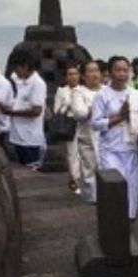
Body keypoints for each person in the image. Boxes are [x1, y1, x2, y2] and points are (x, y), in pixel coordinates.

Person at [91, 55, 138, 220]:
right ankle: (113, 220)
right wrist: (119, 118)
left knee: (131, 187)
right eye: (118, 70)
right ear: (109, 73)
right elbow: (95, 123)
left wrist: (137, 121)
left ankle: (129, 218)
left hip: (131, 149)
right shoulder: (102, 96)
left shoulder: (136, 95)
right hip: (111, 149)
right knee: (114, 186)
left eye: (125, 70)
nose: (122, 74)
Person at [3, 49, 48, 169]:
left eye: (17, 68)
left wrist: (12, 112)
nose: (15, 72)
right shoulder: (21, 82)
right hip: (18, 136)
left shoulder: (37, 83)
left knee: (31, 169)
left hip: (30, 138)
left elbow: (36, 110)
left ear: (25, 66)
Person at [70, 60, 103, 203]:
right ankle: (92, 200)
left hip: (105, 138)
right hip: (87, 137)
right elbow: (79, 113)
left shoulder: (106, 90)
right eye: (90, 71)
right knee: (89, 170)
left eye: (96, 70)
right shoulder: (79, 92)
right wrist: (94, 108)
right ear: (83, 75)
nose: (94, 74)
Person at [54, 63, 83, 193]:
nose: (73, 77)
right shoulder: (61, 91)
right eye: (70, 74)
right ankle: (74, 180)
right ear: (66, 77)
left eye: (75, 74)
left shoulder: (83, 90)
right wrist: (68, 105)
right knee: (72, 153)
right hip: (69, 124)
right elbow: (56, 110)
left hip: (83, 124)